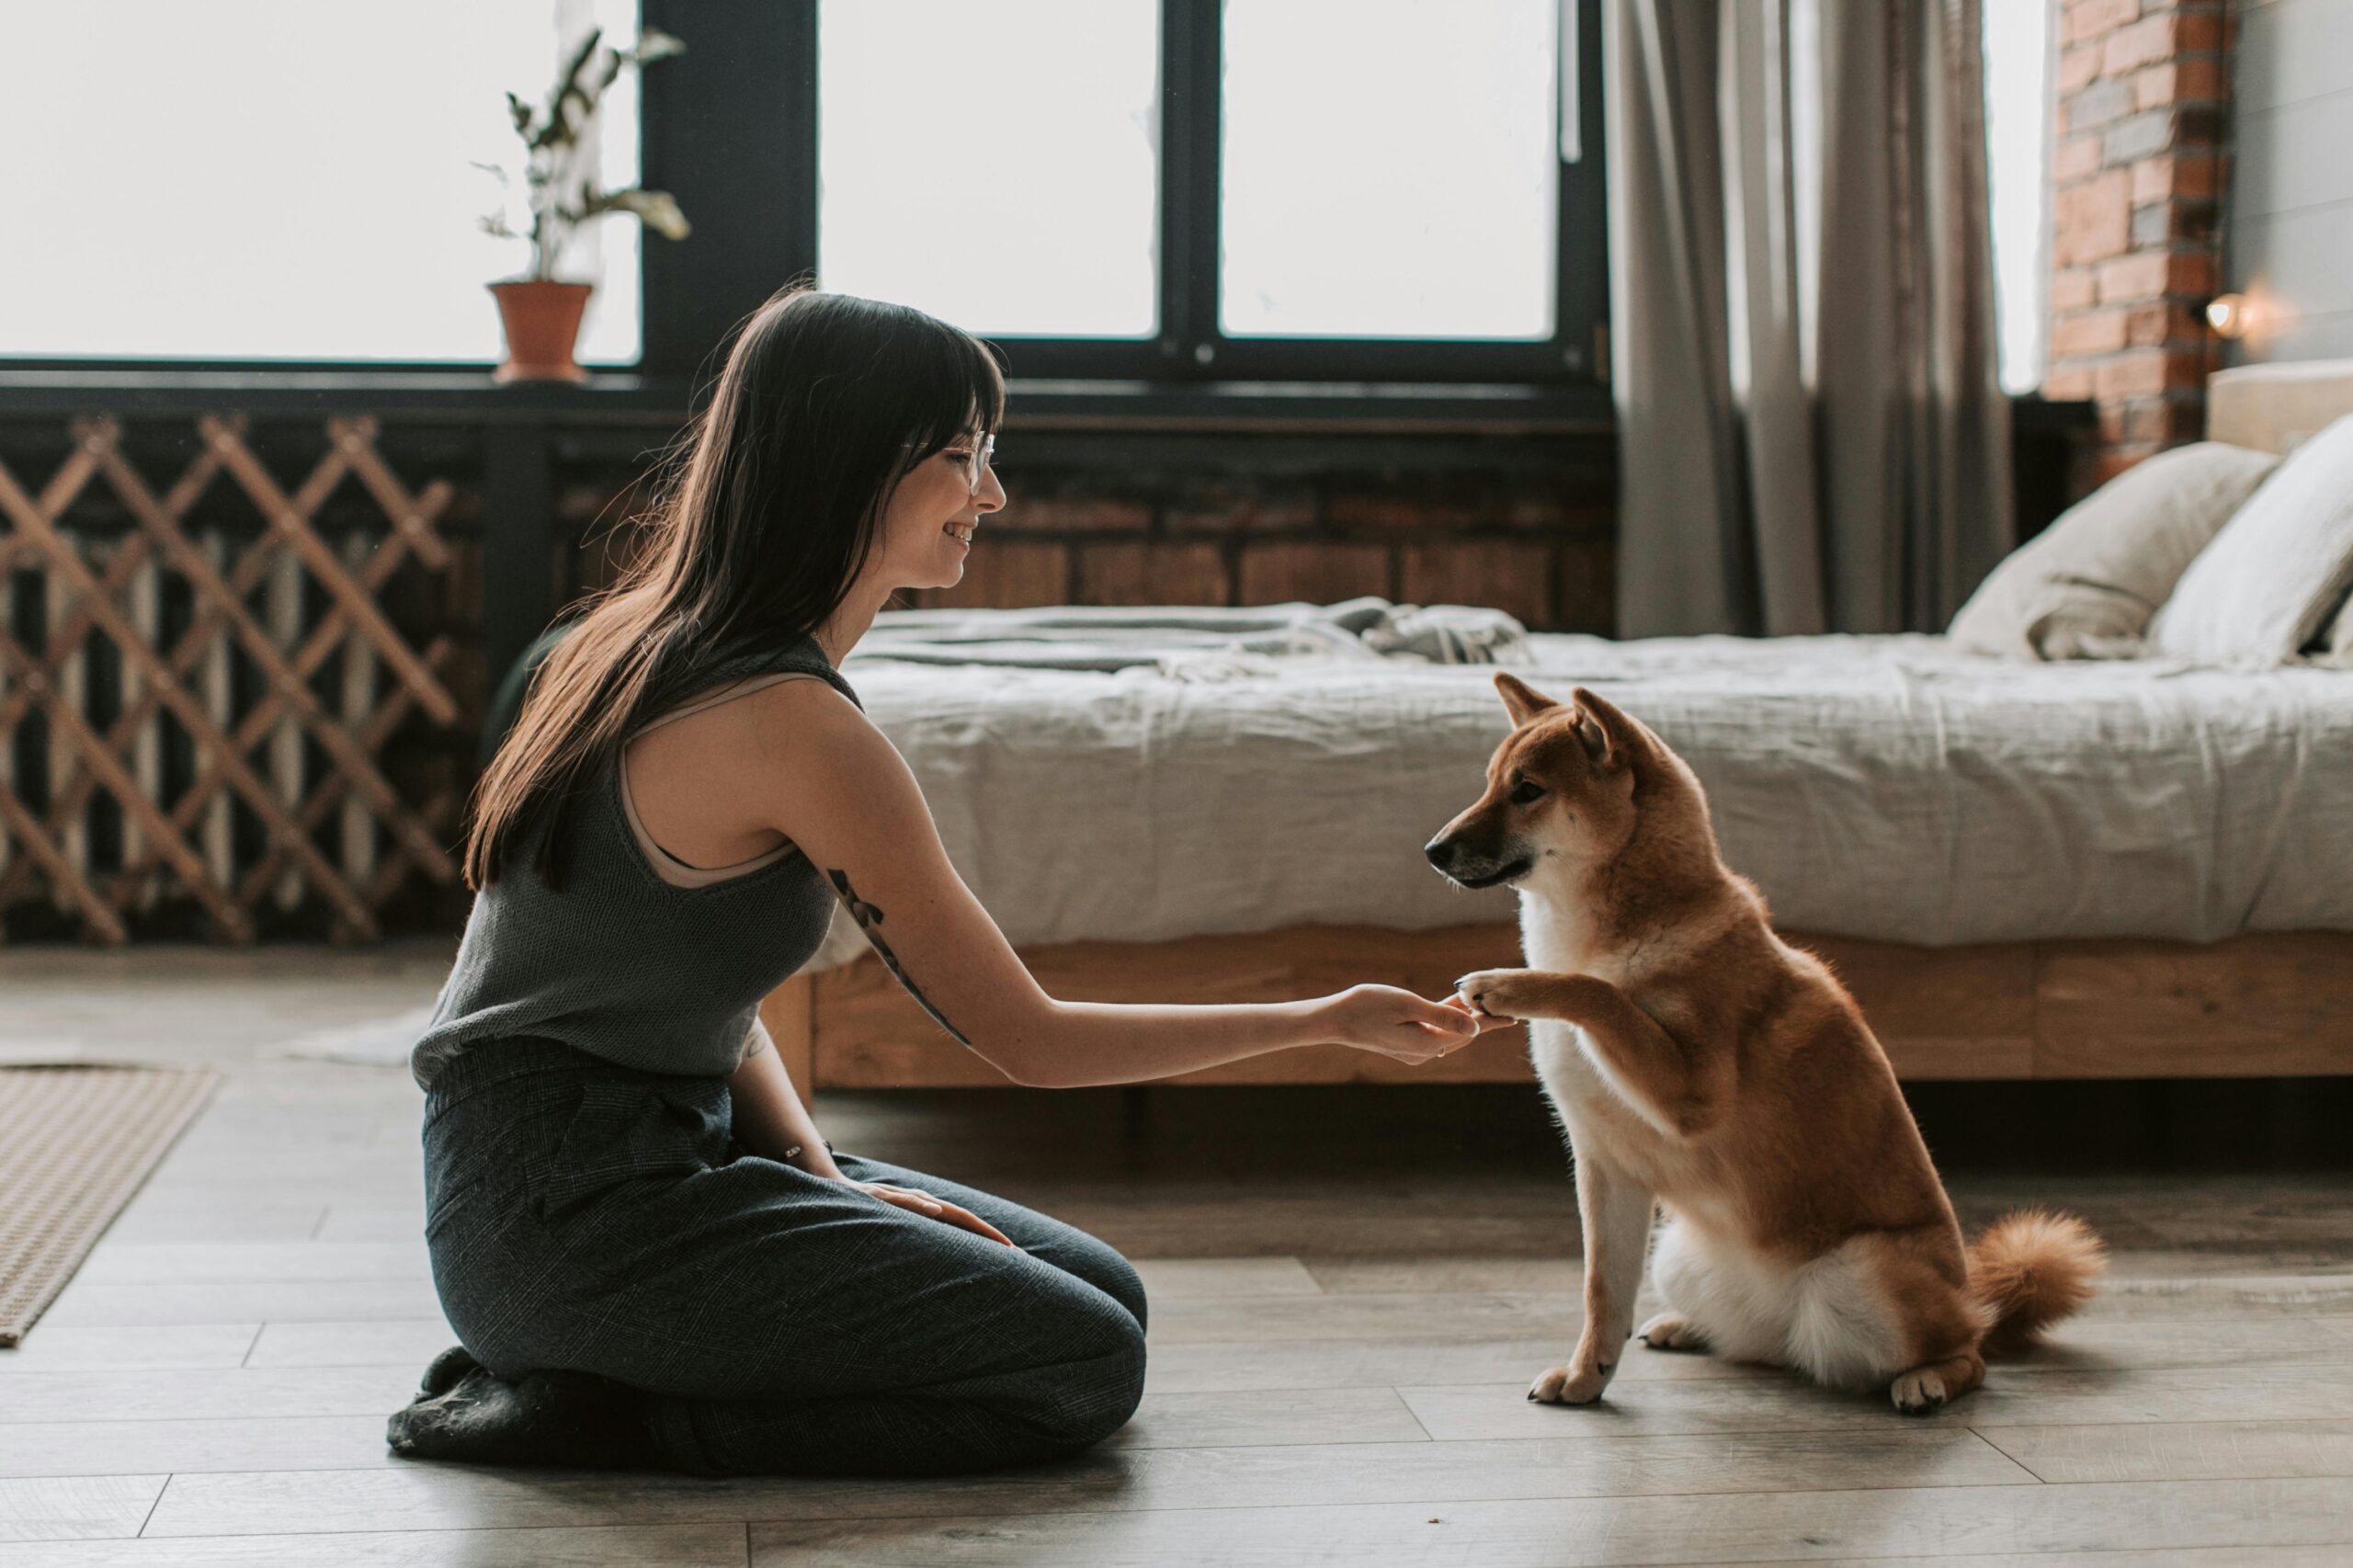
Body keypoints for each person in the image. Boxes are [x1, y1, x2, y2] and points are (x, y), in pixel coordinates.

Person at [388, 287, 1486, 1478]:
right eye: (962, 456)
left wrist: (819, 1178)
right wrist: (1321, 1017)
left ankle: (614, 1364)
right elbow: (1030, 1039)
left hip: (633, 1157)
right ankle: (597, 1412)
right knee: (1081, 1363)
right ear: (850, 466)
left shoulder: (659, 637)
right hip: (568, 1217)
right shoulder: (788, 721)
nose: (993, 494)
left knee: (1100, 1289)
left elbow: (694, 986)